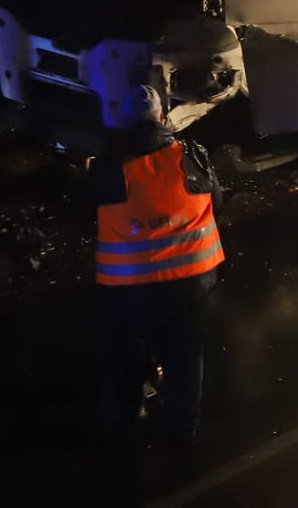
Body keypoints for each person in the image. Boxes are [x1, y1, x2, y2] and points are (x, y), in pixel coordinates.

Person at [90, 85, 224, 442]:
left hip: (131, 287)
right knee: (185, 358)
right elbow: (218, 198)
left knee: (123, 357)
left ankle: (120, 425)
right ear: (162, 117)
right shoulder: (192, 154)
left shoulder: (108, 167)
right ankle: (182, 429)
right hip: (193, 282)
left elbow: (85, 207)